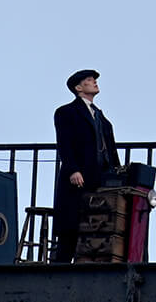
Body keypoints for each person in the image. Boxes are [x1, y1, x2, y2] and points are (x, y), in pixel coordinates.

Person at [52, 68, 120, 263]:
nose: (95, 82)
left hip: (100, 178)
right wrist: (73, 169)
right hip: (79, 177)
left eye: (94, 79)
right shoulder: (66, 112)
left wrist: (116, 174)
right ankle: (61, 268)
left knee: (98, 226)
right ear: (78, 87)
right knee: (70, 228)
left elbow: (110, 150)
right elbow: (64, 143)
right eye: (89, 80)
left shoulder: (101, 118)